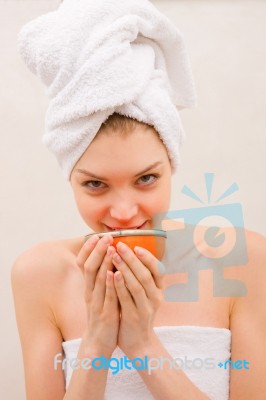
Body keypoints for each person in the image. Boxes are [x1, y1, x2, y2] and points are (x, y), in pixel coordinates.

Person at [12, 1, 266, 399]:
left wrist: (142, 344)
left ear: (171, 165)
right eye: (95, 185)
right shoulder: (39, 275)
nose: (125, 211)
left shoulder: (243, 258)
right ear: (71, 180)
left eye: (146, 179)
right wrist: (97, 339)